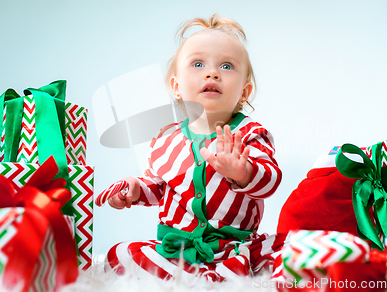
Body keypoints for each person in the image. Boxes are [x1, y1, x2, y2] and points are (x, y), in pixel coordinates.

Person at [104, 14, 287, 282]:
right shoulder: (165, 140)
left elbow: (270, 181)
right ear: (177, 87)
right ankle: (201, 276)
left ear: (244, 92)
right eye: (198, 64)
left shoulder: (250, 134)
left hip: (235, 246)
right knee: (119, 254)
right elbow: (157, 187)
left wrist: (244, 172)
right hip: (178, 249)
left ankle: (221, 272)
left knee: (289, 247)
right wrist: (133, 188)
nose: (212, 73)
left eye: (226, 66)